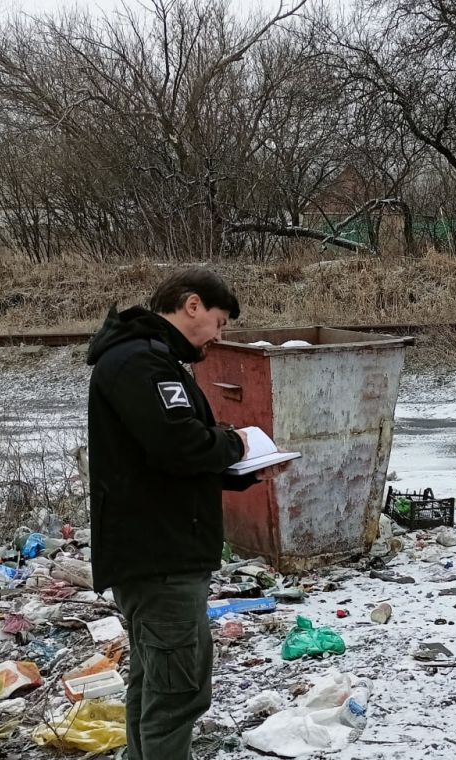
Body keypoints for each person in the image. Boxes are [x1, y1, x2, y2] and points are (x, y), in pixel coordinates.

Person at [86, 267, 287, 759]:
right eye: (219, 322)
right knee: (178, 693)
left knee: (155, 685)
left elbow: (162, 457)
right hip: (160, 557)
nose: (219, 336)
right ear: (191, 305)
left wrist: (237, 471)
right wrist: (234, 443)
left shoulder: (152, 359)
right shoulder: (141, 363)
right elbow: (177, 445)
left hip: (160, 551)